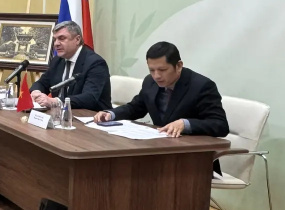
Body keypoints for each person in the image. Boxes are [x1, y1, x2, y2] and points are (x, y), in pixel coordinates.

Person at [94, 41, 229, 138]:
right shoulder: (150, 82)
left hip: (193, 156)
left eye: (162, 70)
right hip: (161, 147)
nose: (156, 76)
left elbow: (220, 125)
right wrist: (110, 114)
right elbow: (135, 108)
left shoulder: (201, 86)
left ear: (179, 66)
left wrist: (185, 124)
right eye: (152, 70)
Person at [30, 20, 111, 111]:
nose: (56, 43)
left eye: (62, 38)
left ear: (77, 39)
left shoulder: (95, 63)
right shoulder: (57, 60)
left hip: (91, 115)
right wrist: (36, 92)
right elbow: (42, 83)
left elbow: (89, 98)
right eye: (55, 39)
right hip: (59, 114)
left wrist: (55, 102)